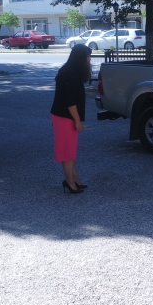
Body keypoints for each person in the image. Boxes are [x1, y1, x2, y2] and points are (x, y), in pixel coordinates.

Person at [50, 44, 92, 194]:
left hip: (63, 116)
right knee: (67, 151)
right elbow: (70, 102)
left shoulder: (69, 71)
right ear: (80, 57)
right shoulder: (70, 74)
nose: (89, 59)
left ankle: (75, 179)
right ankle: (69, 181)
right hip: (64, 117)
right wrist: (78, 121)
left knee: (70, 150)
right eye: (87, 56)